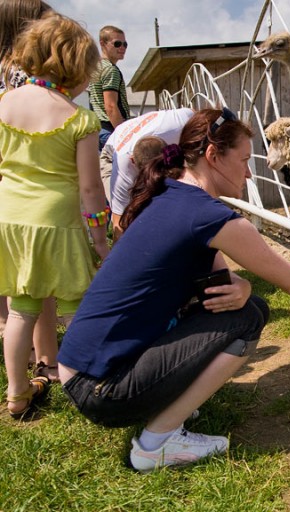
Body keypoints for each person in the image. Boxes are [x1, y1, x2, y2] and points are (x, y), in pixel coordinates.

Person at [57, 108, 290, 472]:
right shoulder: (207, 215)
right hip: (102, 389)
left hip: (83, 373)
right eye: (245, 160)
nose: (250, 172)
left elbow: (221, 282)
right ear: (213, 156)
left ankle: (168, 405)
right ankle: (155, 446)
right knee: (247, 319)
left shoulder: (170, 195)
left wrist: (246, 284)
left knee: (247, 306)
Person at [0, 13, 109, 419]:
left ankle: (16, 394)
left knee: (20, 309)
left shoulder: (4, 104)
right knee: (78, 306)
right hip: (57, 223)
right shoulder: (79, 119)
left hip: (9, 218)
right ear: (74, 67)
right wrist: (100, 240)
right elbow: (90, 188)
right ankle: (92, 380)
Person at [0, 0, 61, 381]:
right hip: (27, 186)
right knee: (39, 286)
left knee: (7, 280)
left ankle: (12, 349)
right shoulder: (26, 74)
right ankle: (47, 360)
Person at [99, 107, 194, 238]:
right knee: (131, 214)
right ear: (133, 161)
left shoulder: (179, 122)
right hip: (111, 155)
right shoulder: (122, 170)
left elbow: (203, 115)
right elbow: (119, 224)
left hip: (138, 135)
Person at [87, 25, 130, 150]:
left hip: (98, 130)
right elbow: (110, 107)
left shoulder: (96, 67)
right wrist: (124, 135)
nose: (122, 48)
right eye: (117, 44)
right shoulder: (110, 70)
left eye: (125, 44)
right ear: (103, 43)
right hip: (110, 131)